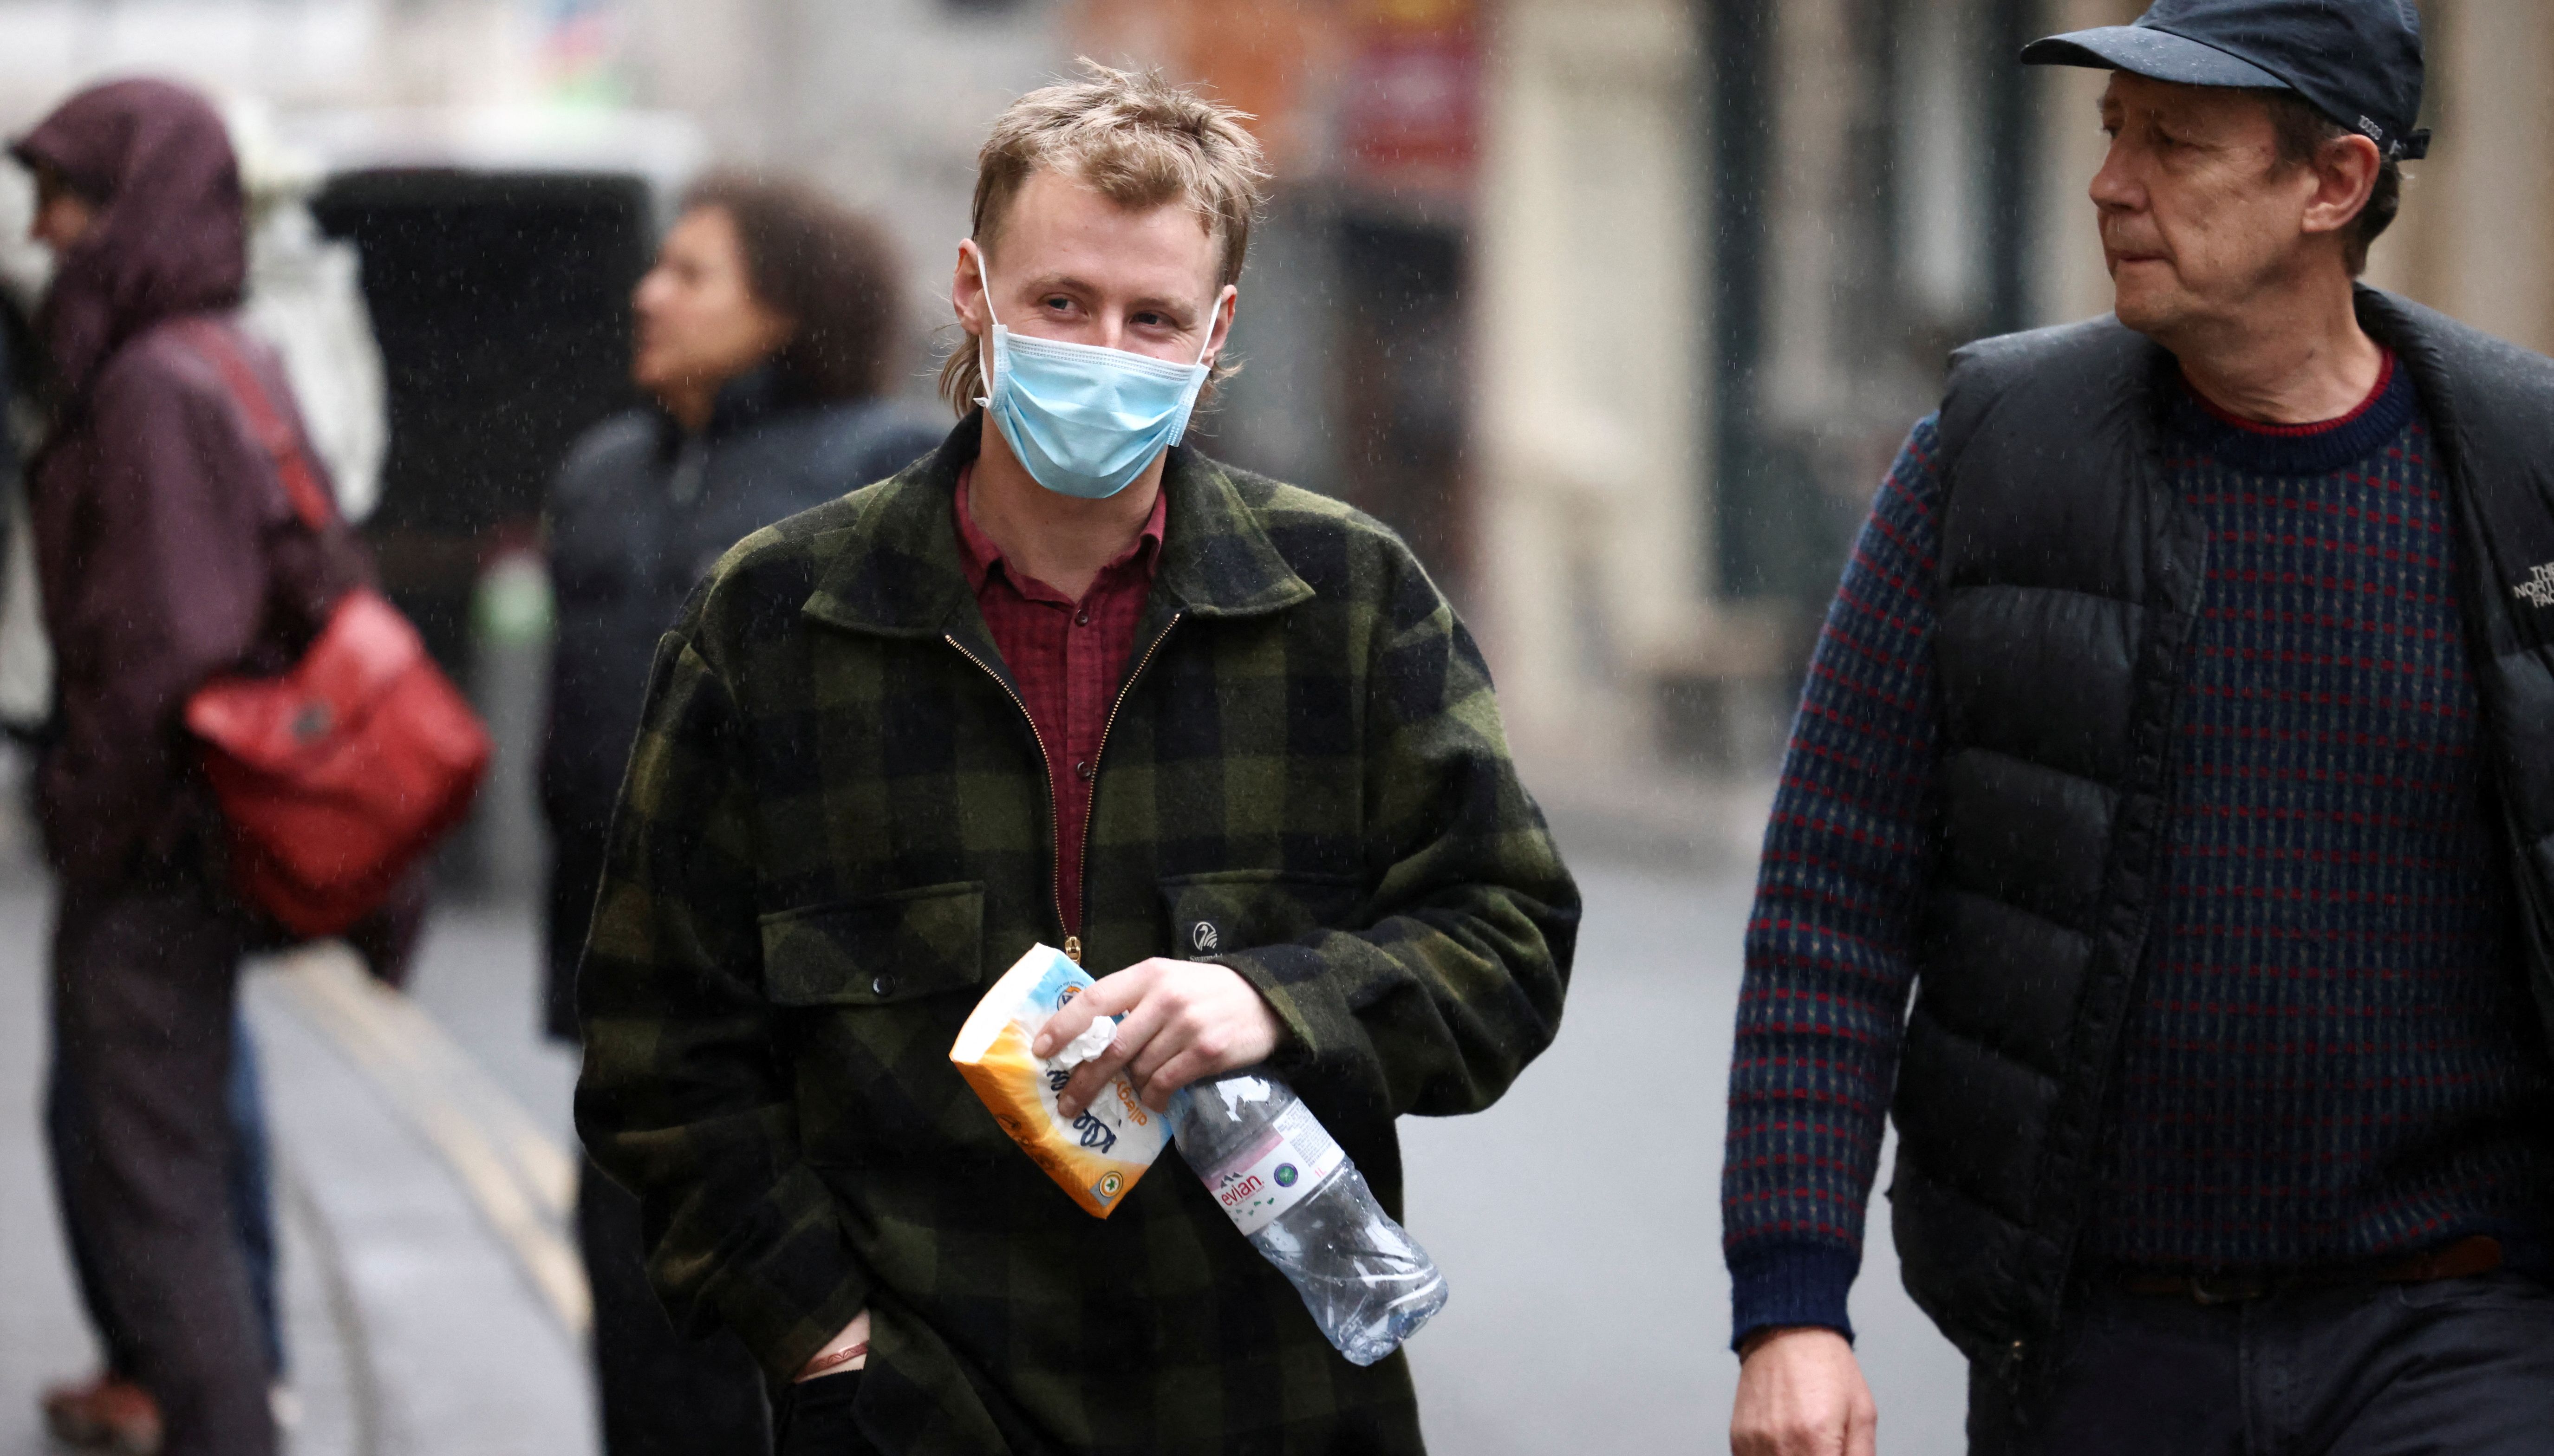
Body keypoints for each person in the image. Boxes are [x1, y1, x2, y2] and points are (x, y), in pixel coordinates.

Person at [574, 61, 1578, 1455]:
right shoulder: (772, 624)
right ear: (973, 294)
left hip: (1269, 1403)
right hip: (914, 1417)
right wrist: (821, 1335)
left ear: (1216, 333)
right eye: (1061, 303)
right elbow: (655, 1043)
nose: (1104, 352)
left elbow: (1510, 937)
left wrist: (1274, 999)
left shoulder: (1348, 603)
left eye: (1151, 318)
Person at [1720, 3, 2554, 1453]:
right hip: (2100, 1339)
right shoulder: (1987, 458)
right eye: (2112, 135)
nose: (2110, 183)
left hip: (2456, 1326)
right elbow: (1832, 900)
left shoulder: (2521, 471)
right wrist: (1792, 1305)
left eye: (2173, 143)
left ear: (2333, 185)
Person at [543, 170, 945, 1455]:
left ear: (788, 306)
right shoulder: (601, 469)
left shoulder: (878, 466)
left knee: (829, 1382)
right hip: (627, 1011)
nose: (647, 294)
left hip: (813, 1026)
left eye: (691, 273)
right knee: (646, 1358)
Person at [12, 78, 372, 1456]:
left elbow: (168, 651)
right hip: (187, 841)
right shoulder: (218, 352)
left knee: (156, 1205)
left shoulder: (154, 385)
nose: (44, 226)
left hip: (150, 850)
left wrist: (80, 812)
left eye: (68, 193)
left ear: (136, 203)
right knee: (172, 1176)